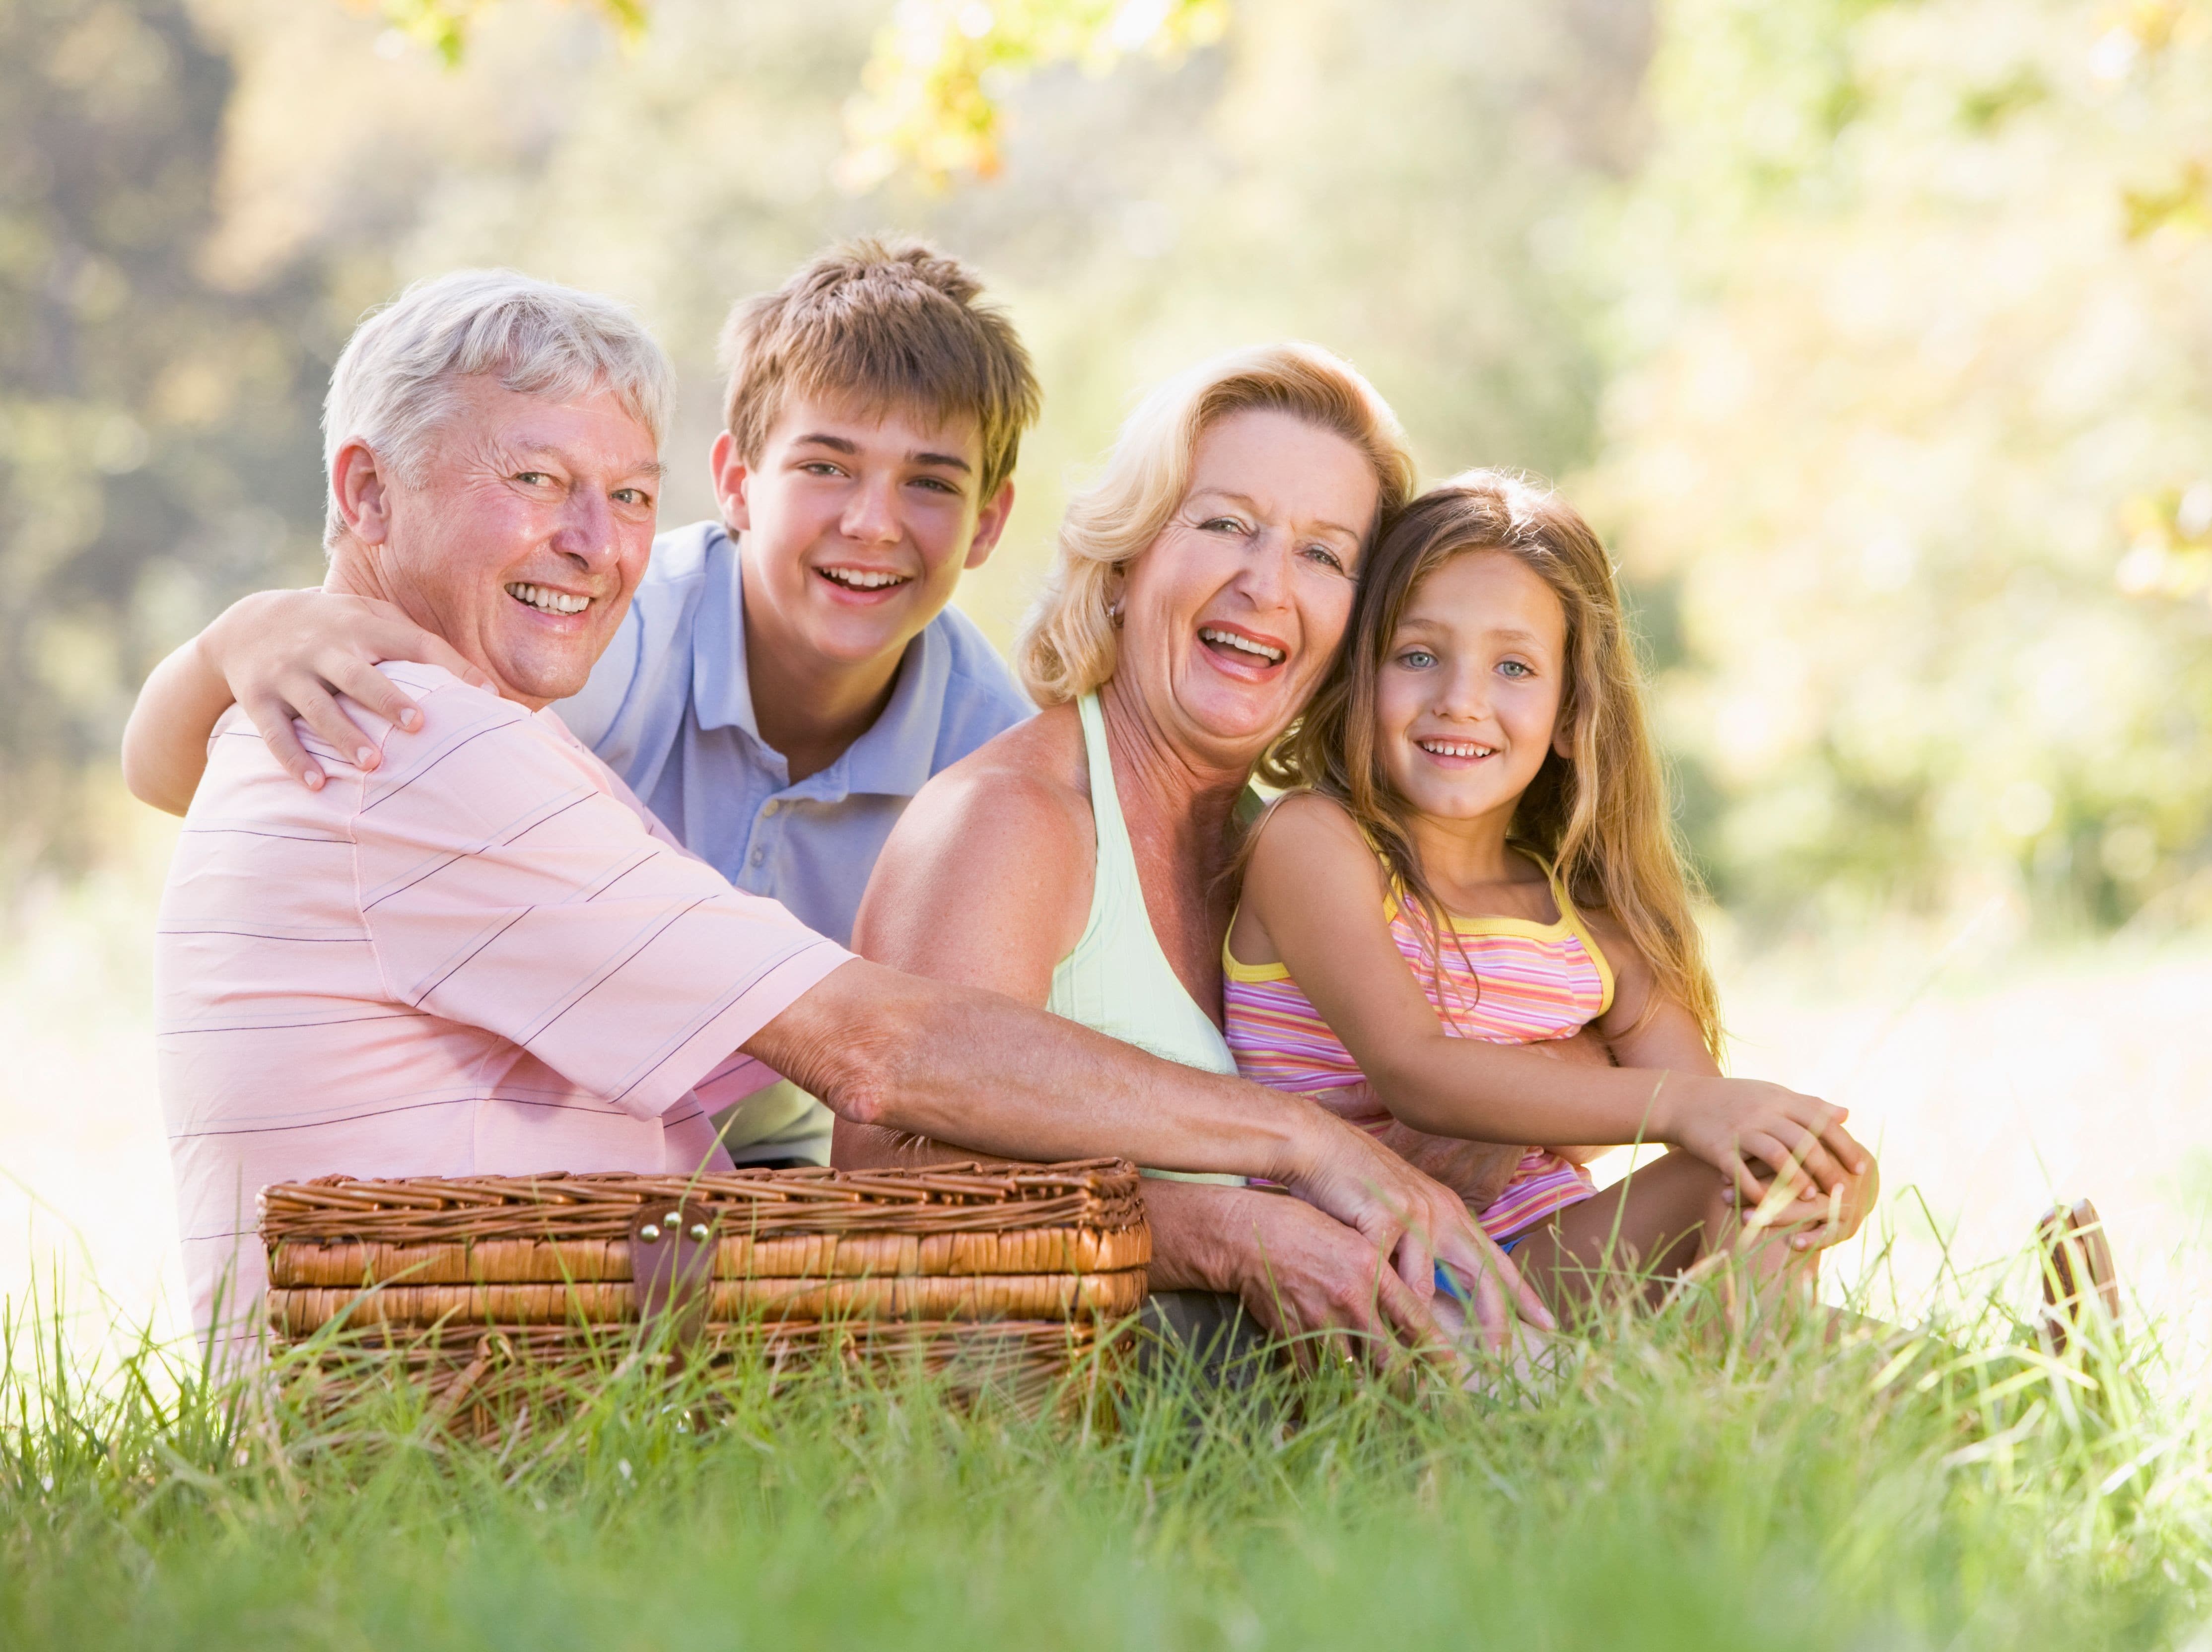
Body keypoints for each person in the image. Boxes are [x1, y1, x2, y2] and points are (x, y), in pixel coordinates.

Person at [132, 269, 1531, 1361]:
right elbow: (883, 1053)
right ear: (366, 491)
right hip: (468, 1388)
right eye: (537, 483)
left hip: (591, 1297)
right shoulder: (432, 729)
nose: (593, 543)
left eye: (624, 495)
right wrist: (1298, 1156)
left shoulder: (453, 714)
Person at [839, 350, 1870, 1356]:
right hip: (1099, 1399)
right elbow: (889, 1183)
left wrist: (1560, 1079)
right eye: (1226, 524)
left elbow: (1480, 1075)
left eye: (1324, 553)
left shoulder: (1274, 834)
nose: (1267, 583)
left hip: (1365, 1356)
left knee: (1834, 1364)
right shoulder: (1016, 817)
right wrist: (1233, 1235)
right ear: (1124, 561)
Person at [125, 237, 1040, 1168]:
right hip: (547, 1143)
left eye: (929, 483)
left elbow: (942, 1060)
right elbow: (197, 772)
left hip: (775, 1153)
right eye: (826, 467)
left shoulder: (985, 756)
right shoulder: (590, 632)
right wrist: (231, 641)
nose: (872, 522)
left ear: (989, 523)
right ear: (735, 484)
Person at [1227, 472, 1876, 1323]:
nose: (1461, 700)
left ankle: (2020, 1380)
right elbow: (1415, 1070)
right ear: (1358, 677)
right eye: (1418, 655)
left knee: (1763, 1192)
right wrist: (1693, 1110)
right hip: (1391, 1277)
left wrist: (1828, 1178)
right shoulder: (1314, 843)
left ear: (1573, 713)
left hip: (1553, 1270)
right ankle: (1754, 1378)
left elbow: (1727, 1141)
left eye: (1514, 668)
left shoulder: (1593, 929)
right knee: (1734, 1180)